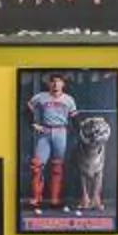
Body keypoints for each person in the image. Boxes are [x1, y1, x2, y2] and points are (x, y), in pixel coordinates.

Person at [26, 71, 76, 212]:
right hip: (45, 131)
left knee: (57, 167)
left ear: (63, 84)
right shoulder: (41, 97)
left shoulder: (68, 100)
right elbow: (27, 108)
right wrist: (33, 123)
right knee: (37, 166)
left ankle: (55, 199)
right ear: (49, 83)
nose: (55, 84)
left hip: (61, 132)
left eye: (59, 81)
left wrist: (78, 134)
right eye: (53, 81)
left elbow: (74, 119)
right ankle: (36, 198)